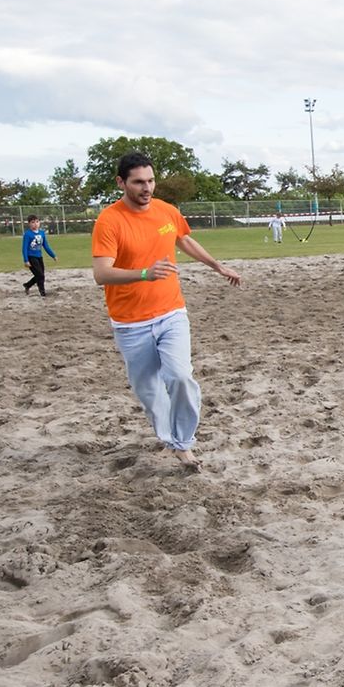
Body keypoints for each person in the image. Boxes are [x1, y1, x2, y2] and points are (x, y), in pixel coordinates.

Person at [91, 151, 243, 472]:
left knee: (180, 377)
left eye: (150, 181)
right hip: (130, 324)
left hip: (171, 313)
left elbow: (184, 240)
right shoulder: (109, 220)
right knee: (149, 392)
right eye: (138, 182)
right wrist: (144, 274)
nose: (147, 188)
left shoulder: (166, 211)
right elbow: (101, 274)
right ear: (121, 182)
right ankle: (169, 438)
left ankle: (183, 443)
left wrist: (217, 266)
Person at [21, 214, 57, 297]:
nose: (35, 224)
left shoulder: (42, 233)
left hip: (39, 257)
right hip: (31, 257)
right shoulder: (28, 234)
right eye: (33, 222)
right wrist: (26, 260)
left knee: (40, 275)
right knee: (40, 275)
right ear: (29, 224)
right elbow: (24, 248)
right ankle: (42, 292)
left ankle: (27, 285)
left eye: (37, 222)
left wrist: (53, 255)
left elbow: (46, 246)